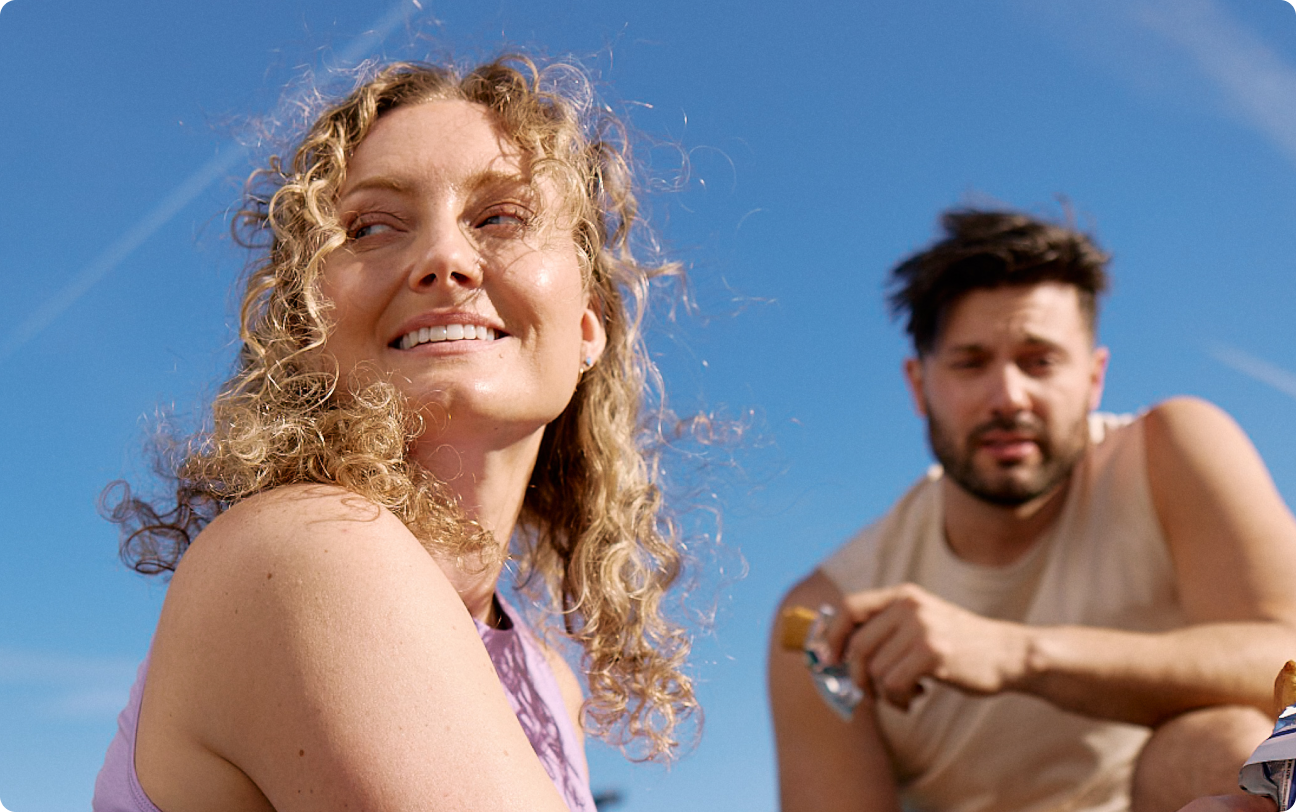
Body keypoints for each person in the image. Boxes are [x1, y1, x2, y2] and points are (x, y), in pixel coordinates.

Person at [93, 55, 700, 811]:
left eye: (501, 217)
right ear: (307, 332)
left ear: (588, 326)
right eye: (372, 227)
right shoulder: (303, 551)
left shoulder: (548, 680)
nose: (443, 259)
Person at [768, 208, 1296, 812]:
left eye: (1039, 361)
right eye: (971, 363)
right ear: (918, 385)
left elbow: (1286, 663)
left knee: (1220, 742)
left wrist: (1018, 654)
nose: (1008, 397)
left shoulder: (1167, 453)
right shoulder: (822, 615)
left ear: (1095, 378)